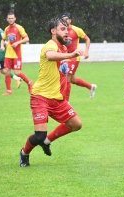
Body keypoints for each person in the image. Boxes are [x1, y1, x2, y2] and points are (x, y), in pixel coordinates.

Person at [19, 16, 84, 167]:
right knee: (39, 136)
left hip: (57, 99)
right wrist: (71, 55)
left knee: (76, 124)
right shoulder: (51, 45)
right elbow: (49, 55)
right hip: (41, 97)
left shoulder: (63, 47)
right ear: (53, 31)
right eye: (62, 29)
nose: (66, 32)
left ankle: (47, 142)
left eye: (67, 28)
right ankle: (24, 153)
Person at [61, 13, 96, 101]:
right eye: (63, 19)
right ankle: (91, 87)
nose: (65, 21)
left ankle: (66, 101)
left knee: (67, 78)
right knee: (72, 79)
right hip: (65, 56)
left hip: (74, 57)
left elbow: (87, 39)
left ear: (70, 20)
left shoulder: (76, 30)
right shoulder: (61, 31)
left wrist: (86, 51)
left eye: (67, 19)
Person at [0, 12, 32, 96]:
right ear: (7, 19)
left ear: (15, 19)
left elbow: (27, 38)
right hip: (8, 54)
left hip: (17, 54)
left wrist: (18, 42)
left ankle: (29, 82)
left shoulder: (19, 28)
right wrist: (2, 46)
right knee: (6, 71)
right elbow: (3, 39)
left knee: (17, 73)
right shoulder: (6, 29)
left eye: (12, 18)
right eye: (9, 18)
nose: (10, 20)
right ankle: (9, 91)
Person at [0, 20, 21, 90]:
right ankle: (17, 78)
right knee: (2, 70)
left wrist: (3, 47)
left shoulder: (1, 32)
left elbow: (6, 41)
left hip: (0, 55)